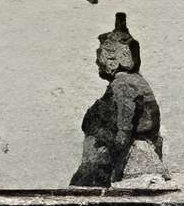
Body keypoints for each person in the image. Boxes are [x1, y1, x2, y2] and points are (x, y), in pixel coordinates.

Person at [69, 13, 167, 187]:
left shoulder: (123, 84)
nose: (97, 61)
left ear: (118, 56)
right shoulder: (133, 81)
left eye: (101, 53)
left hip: (131, 168)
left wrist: (101, 172)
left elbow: (122, 133)